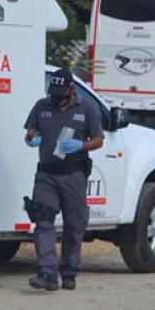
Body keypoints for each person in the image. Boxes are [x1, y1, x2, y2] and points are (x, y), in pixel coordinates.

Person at [23, 67, 103, 292]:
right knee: (43, 219)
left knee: (74, 225)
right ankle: (47, 273)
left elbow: (98, 140)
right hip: (47, 174)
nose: (56, 97)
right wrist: (32, 137)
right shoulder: (42, 106)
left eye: (60, 92)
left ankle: (69, 271)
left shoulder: (86, 109)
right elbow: (31, 131)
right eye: (53, 92)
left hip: (73, 175)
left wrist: (81, 145)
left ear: (71, 89)